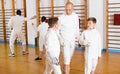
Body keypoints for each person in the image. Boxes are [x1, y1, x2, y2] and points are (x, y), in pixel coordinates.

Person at [58, 2, 79, 74]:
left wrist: (79, 39)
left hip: (72, 41)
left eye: (69, 10)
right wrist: (60, 40)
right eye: (66, 9)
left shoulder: (76, 16)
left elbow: (77, 29)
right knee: (67, 61)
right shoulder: (61, 18)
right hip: (64, 42)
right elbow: (57, 31)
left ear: (73, 9)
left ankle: (64, 66)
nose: (67, 11)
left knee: (68, 59)